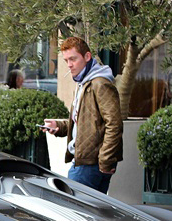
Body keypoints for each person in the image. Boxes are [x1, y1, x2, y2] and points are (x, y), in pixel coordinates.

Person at [41, 36, 123, 194]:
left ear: (87, 56)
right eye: (66, 60)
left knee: (71, 209)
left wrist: (105, 161)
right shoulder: (84, 82)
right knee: (91, 214)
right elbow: (86, 121)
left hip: (90, 164)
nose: (69, 65)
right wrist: (60, 127)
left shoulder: (100, 83)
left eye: (73, 59)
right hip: (87, 161)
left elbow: (114, 124)